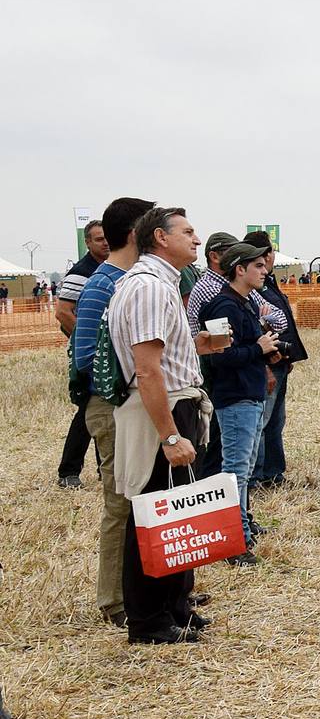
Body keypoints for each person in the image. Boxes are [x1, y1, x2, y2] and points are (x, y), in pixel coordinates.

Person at [107, 207, 218, 644]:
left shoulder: (158, 284)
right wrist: (169, 435)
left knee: (178, 515)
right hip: (163, 411)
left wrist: (195, 347)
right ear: (160, 237)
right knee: (154, 517)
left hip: (173, 404)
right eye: (188, 232)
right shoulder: (150, 288)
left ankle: (174, 607)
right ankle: (149, 621)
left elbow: (162, 358)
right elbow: (148, 370)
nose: (196, 239)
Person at [72, 197, 154, 628]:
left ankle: (148, 589)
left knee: (146, 499)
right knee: (120, 503)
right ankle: (114, 600)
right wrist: (130, 378)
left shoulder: (135, 279)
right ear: (136, 230)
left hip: (136, 403)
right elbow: (84, 355)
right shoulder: (102, 285)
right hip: (112, 405)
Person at [201, 242, 279, 566]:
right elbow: (220, 357)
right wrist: (258, 349)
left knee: (242, 470)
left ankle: (241, 533)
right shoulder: (223, 307)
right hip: (235, 397)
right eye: (258, 266)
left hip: (250, 394)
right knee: (235, 472)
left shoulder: (244, 304)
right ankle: (234, 543)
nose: (265, 271)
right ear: (240, 270)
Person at [242, 230, 302, 491]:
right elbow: (260, 325)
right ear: (267, 254)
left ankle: (273, 474)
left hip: (279, 359)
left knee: (276, 420)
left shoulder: (267, 283)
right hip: (266, 360)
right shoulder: (253, 288)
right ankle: (255, 477)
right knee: (263, 421)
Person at [53, 219, 110, 488]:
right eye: (98, 239)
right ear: (87, 242)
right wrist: (88, 340)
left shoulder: (108, 268)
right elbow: (63, 311)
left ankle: (103, 468)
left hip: (103, 353)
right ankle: (68, 471)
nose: (105, 242)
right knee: (89, 408)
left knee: (103, 409)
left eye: (107, 237)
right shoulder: (81, 272)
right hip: (91, 354)